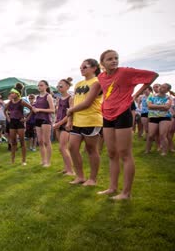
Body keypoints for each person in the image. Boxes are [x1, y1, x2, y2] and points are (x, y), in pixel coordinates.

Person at [97, 49, 158, 200]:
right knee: (111, 152)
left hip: (123, 113)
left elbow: (153, 75)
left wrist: (136, 94)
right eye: (109, 59)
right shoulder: (101, 76)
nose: (114, 61)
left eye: (116, 58)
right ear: (102, 63)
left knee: (125, 153)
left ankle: (126, 193)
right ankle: (112, 188)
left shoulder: (125, 72)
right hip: (107, 114)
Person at [66, 59, 103, 186]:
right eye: (81, 67)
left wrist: (70, 110)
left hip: (91, 120)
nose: (81, 69)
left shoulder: (97, 82)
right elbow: (75, 103)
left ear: (94, 68)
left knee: (91, 149)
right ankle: (80, 176)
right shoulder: (78, 84)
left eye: (85, 67)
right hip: (77, 120)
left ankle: (92, 179)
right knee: (72, 147)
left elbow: (87, 103)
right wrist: (70, 119)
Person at [4, 89, 32, 165]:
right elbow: (5, 111)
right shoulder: (10, 102)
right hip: (12, 123)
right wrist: (8, 118)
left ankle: (24, 161)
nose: (11, 94)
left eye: (12, 93)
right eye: (10, 93)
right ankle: (12, 160)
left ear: (17, 94)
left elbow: (31, 109)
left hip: (20, 122)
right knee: (13, 142)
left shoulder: (21, 101)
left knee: (22, 141)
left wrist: (26, 119)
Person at [53, 77, 74, 176]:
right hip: (58, 124)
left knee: (63, 147)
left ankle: (71, 171)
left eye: (61, 85)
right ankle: (66, 169)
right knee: (61, 148)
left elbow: (70, 114)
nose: (59, 87)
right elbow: (57, 112)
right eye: (58, 85)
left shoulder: (71, 98)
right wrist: (55, 122)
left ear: (67, 87)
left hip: (65, 124)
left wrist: (59, 123)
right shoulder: (59, 98)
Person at [32, 80, 55, 167]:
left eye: (41, 85)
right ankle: (43, 160)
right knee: (40, 141)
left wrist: (39, 110)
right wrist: (34, 107)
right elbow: (34, 105)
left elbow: (52, 110)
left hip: (46, 120)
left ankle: (48, 162)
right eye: (38, 85)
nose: (39, 87)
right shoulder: (37, 97)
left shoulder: (48, 96)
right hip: (37, 119)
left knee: (46, 141)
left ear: (46, 86)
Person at [146, 83, 172, 156]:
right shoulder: (151, 95)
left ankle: (164, 152)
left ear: (167, 90)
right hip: (153, 117)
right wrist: (162, 107)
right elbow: (149, 106)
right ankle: (147, 150)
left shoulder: (169, 97)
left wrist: (155, 106)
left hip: (165, 117)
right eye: (161, 86)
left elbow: (167, 107)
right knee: (150, 135)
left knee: (162, 135)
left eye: (164, 87)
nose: (161, 88)